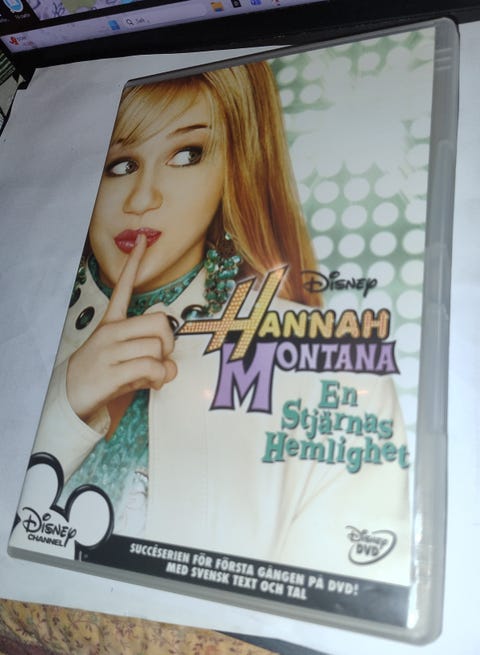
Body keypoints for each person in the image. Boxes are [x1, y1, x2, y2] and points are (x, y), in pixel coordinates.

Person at [32, 61, 411, 586]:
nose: (142, 199)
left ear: (237, 165)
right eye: (119, 164)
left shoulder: (332, 371)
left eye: (186, 155)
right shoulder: (26, 330)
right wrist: (63, 403)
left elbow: (347, 595)